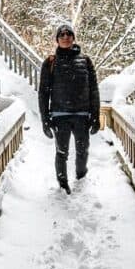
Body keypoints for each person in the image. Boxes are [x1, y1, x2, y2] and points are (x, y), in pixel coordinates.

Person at [38, 24, 100, 194]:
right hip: (60, 115)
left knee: (82, 150)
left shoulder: (85, 61)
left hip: (82, 115)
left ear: (73, 37)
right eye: (62, 34)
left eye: (68, 34)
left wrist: (95, 116)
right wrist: (45, 120)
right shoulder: (50, 62)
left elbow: (94, 90)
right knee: (61, 152)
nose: (65, 37)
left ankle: (81, 177)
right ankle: (63, 183)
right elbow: (43, 93)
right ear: (57, 39)